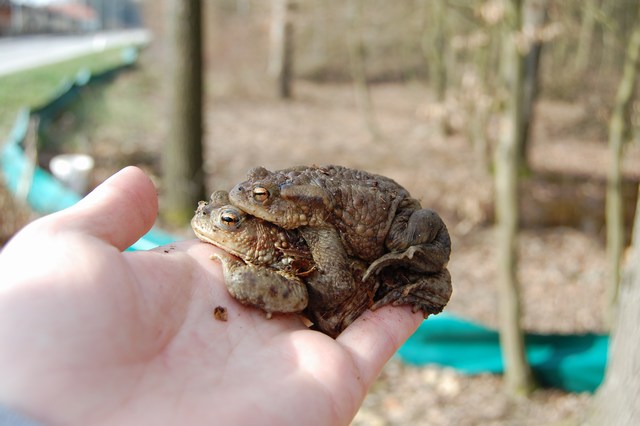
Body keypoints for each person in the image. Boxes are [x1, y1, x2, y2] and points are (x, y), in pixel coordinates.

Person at [0, 167, 423, 425]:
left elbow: (300, 294)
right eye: (214, 209)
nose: (204, 219)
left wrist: (239, 276)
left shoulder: (285, 242)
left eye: (226, 220)